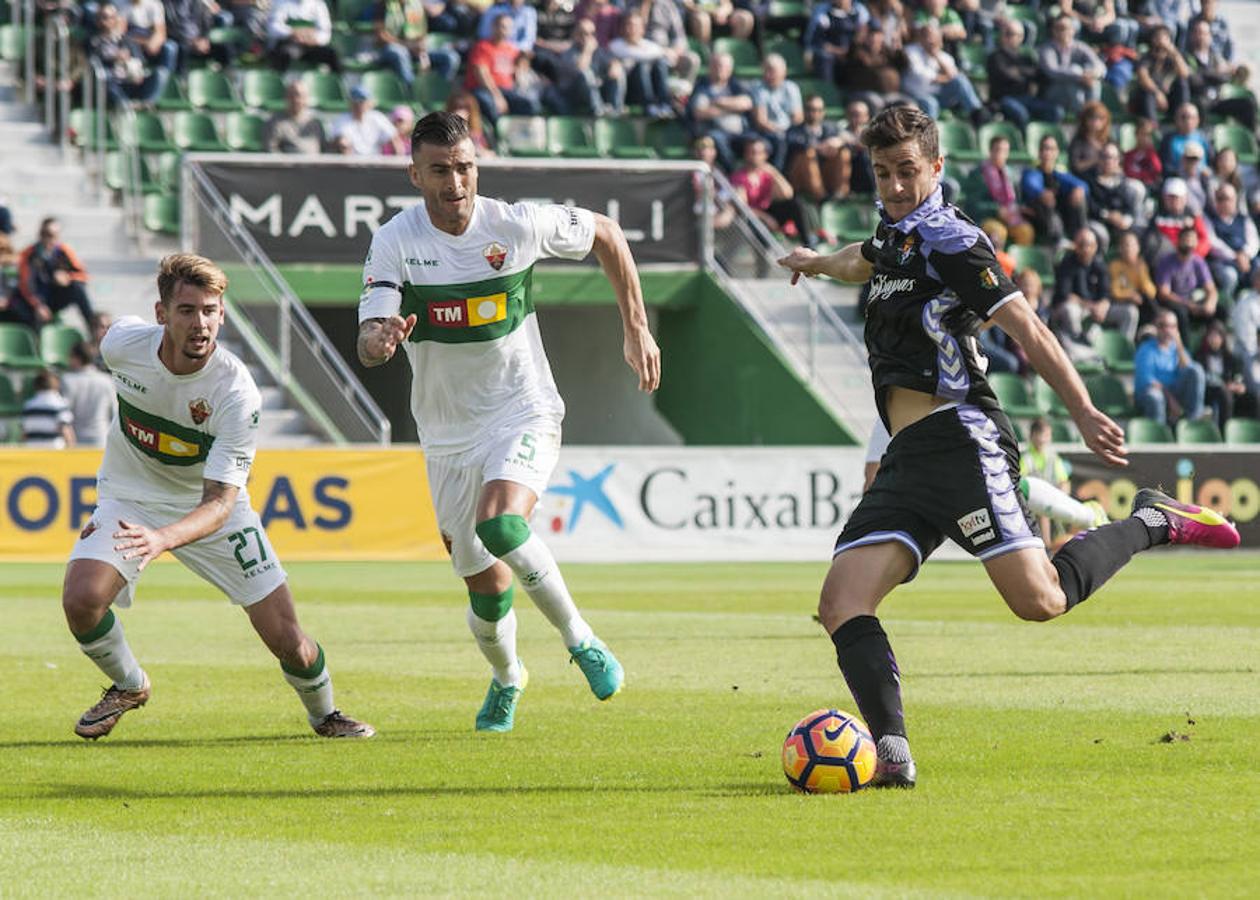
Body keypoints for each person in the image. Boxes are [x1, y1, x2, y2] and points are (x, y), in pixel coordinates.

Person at [775, 104, 1238, 789]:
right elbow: (859, 260)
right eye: (883, 173)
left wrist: (1080, 407)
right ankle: (894, 757)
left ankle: (1151, 521)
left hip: (962, 438)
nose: (896, 186)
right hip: (908, 460)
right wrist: (814, 262)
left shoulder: (952, 241)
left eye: (908, 171)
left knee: (1041, 600)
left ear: (935, 167)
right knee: (843, 603)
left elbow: (1025, 326)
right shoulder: (895, 236)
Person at [356, 112, 661, 732]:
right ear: (415, 174)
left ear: (477, 167)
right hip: (445, 435)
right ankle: (508, 678)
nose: (455, 181)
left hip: (523, 408)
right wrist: (380, 340)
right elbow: (368, 336)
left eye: (464, 167)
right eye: (439, 170)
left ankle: (582, 641)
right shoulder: (395, 241)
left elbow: (605, 232)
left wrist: (636, 327)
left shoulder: (515, 224)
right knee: (486, 592)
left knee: (501, 523)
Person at [62, 253, 373, 741]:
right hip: (131, 498)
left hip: (211, 513)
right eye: (187, 310)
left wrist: (163, 538)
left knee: (289, 641)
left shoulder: (235, 392)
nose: (200, 323)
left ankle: (325, 714)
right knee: (81, 600)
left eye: (210, 310)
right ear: (161, 314)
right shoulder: (122, 346)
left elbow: (222, 501)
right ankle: (129, 684)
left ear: (222, 314)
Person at [14, 217, 95, 331]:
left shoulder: (64, 251)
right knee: (33, 315)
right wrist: (38, 305)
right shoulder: (29, 253)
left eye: (53, 235)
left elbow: (84, 275)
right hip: (34, 301)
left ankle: (93, 328)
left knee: (78, 287)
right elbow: (25, 285)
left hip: (55, 297)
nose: (49, 239)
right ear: (40, 234)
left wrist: (68, 277)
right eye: (45, 234)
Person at [466, 12, 543, 127]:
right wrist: (496, 96)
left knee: (530, 105)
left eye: (507, 27)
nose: (504, 30)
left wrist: (521, 67)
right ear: (493, 27)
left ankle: (516, 135)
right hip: (483, 89)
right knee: (489, 103)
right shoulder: (482, 46)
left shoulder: (511, 49)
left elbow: (522, 63)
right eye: (501, 26)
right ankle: (495, 138)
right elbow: (481, 74)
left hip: (507, 90)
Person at [1134, 309, 1206, 425]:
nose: (1167, 330)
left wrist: (1179, 345)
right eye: (1163, 326)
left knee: (1196, 370)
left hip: (1174, 391)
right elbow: (1149, 381)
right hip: (1151, 394)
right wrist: (1171, 400)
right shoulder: (1146, 350)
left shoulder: (1177, 349)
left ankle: (1193, 423)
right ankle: (1159, 435)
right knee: (1155, 397)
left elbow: (1189, 371)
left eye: (1172, 326)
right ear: (1156, 328)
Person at [988, 18, 1062, 130]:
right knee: (1020, 113)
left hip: (1026, 98)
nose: (1006, 37)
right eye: (1005, 33)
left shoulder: (1027, 58)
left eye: (1011, 34)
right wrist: (1026, 73)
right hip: (1004, 98)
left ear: (1021, 38)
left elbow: (1040, 76)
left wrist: (1019, 71)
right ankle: (1023, 144)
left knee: (1056, 111)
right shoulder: (995, 56)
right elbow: (1006, 75)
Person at [1154, 224, 1218, 338]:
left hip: (1192, 301)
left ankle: (1210, 348)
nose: (1189, 243)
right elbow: (1164, 293)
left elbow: (1211, 288)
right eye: (1186, 239)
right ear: (1178, 241)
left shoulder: (1198, 261)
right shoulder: (1167, 262)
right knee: (1181, 313)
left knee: (1219, 311)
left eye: (1192, 240)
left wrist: (1210, 304)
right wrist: (1188, 305)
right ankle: (1186, 350)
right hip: (1175, 303)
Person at [1037, 14, 1105, 116]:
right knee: (1074, 73)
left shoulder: (1080, 46)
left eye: (1065, 28)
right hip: (1053, 91)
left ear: (1073, 30)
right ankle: (1082, 116)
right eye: (1058, 28)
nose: (1062, 31)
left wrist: (1092, 74)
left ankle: (1092, 113)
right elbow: (1053, 72)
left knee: (1094, 82)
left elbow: (1100, 66)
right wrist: (1079, 76)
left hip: (1080, 87)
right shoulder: (1047, 49)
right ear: (1053, 31)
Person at [1020, 417, 1070, 541]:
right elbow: (1020, 482)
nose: (1043, 439)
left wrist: (1061, 499)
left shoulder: (1054, 458)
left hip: (1052, 500)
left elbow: (1064, 482)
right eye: (1040, 434)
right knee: (1043, 511)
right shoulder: (1025, 458)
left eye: (1047, 435)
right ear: (1032, 436)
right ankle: (1046, 547)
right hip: (1030, 501)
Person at [61, 340, 116, 446]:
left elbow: (65, 414)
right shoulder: (106, 380)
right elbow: (114, 413)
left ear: (77, 358)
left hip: (76, 440)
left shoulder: (67, 380)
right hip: (101, 439)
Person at [265, 0, 341, 73]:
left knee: (332, 54)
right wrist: (293, 33)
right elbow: (272, 28)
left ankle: (337, 82)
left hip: (310, 45)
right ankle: (277, 81)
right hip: (289, 44)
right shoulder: (280, 2)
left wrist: (314, 39)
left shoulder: (318, 4)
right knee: (284, 53)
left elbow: (325, 32)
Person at [330, 84, 396, 155]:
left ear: (369, 102)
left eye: (362, 101)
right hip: (351, 162)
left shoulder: (378, 117)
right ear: (350, 103)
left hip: (376, 162)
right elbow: (341, 143)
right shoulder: (341, 120)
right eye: (356, 102)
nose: (359, 105)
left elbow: (394, 139)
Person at [263, 79, 326, 155]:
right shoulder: (275, 122)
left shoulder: (315, 123)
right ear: (286, 97)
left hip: (316, 165)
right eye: (292, 95)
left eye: (300, 96)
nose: (296, 100)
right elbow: (271, 150)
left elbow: (324, 148)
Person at [21, 369, 75, 448]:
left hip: (32, 451)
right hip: (54, 451)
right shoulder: (60, 404)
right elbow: (66, 430)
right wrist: (71, 448)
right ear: (56, 384)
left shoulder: (28, 406)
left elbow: (24, 433)